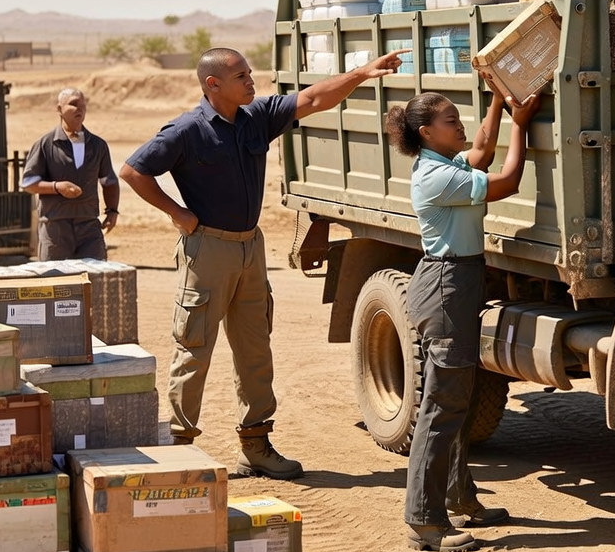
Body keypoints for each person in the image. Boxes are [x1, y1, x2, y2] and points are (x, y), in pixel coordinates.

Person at [119, 45, 406, 479]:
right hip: (208, 250)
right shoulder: (186, 131)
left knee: (255, 350)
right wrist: (177, 213)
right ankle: (179, 447)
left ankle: (255, 446)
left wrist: (362, 73)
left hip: (250, 249)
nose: (252, 81)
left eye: (250, 74)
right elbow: (133, 171)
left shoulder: (256, 116)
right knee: (194, 349)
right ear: (213, 84)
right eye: (241, 77)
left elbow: (314, 98)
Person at [386, 82, 540, 552]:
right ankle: (424, 520)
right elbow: (508, 181)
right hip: (447, 286)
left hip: (458, 280)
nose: (461, 126)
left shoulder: (444, 163)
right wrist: (521, 124)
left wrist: (498, 100)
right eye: (451, 120)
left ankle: (457, 496)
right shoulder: (437, 177)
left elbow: (484, 150)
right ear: (426, 131)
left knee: (459, 400)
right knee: (441, 406)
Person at [22, 87, 120, 261]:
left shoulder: (98, 145)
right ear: (59, 109)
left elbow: (109, 181)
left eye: (83, 105)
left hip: (89, 227)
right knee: (55, 276)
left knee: (94, 274)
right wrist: (57, 187)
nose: (79, 109)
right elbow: (28, 183)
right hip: (55, 228)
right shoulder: (46, 144)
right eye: (74, 104)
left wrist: (112, 211)